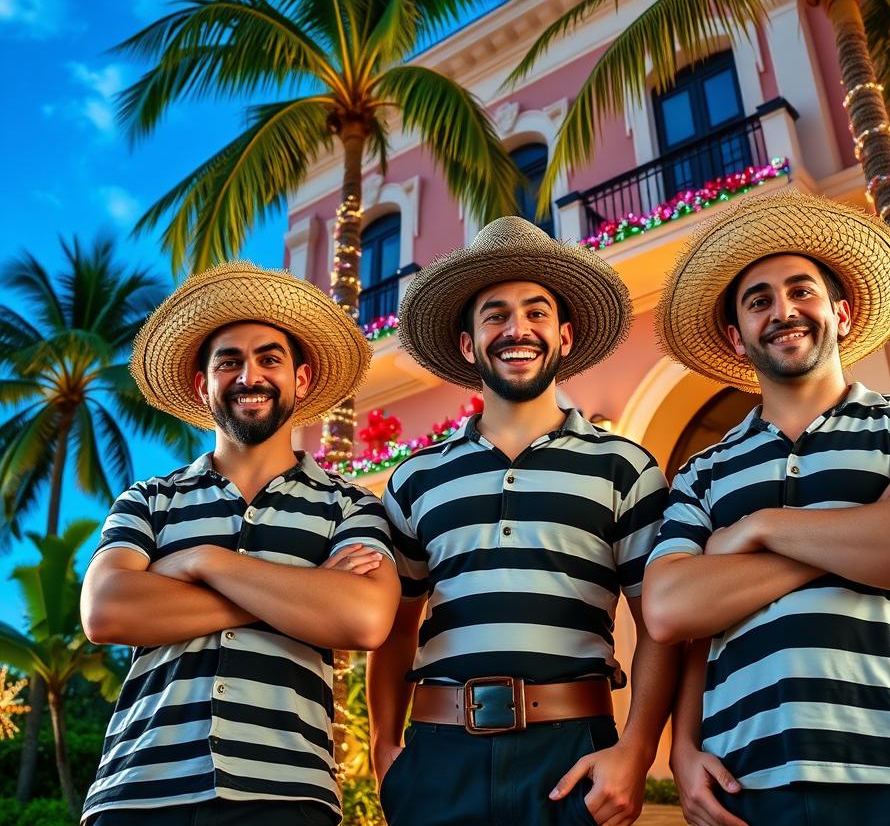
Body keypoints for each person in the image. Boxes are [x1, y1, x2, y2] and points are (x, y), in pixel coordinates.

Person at [643, 191, 890, 826]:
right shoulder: (703, 471)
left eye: (801, 291)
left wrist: (758, 530)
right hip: (744, 784)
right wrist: (870, 530)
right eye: (759, 301)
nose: (783, 311)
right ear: (736, 336)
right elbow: (669, 610)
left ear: (843, 312)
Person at [368, 216, 676, 826]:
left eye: (537, 313)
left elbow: (662, 627)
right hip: (436, 759)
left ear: (563, 336)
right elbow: (396, 630)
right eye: (495, 315)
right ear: (467, 345)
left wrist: (636, 752)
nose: (518, 329)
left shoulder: (624, 467)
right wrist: (387, 753)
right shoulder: (415, 477)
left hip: (573, 757)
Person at [80, 262, 400, 826]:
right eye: (228, 361)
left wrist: (204, 561)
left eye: (269, 358)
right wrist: (302, 596)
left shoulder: (351, 506)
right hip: (137, 790)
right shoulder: (149, 499)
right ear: (203, 385)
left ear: (300, 380)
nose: (248, 375)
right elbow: (106, 611)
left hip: (287, 792)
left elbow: (364, 620)